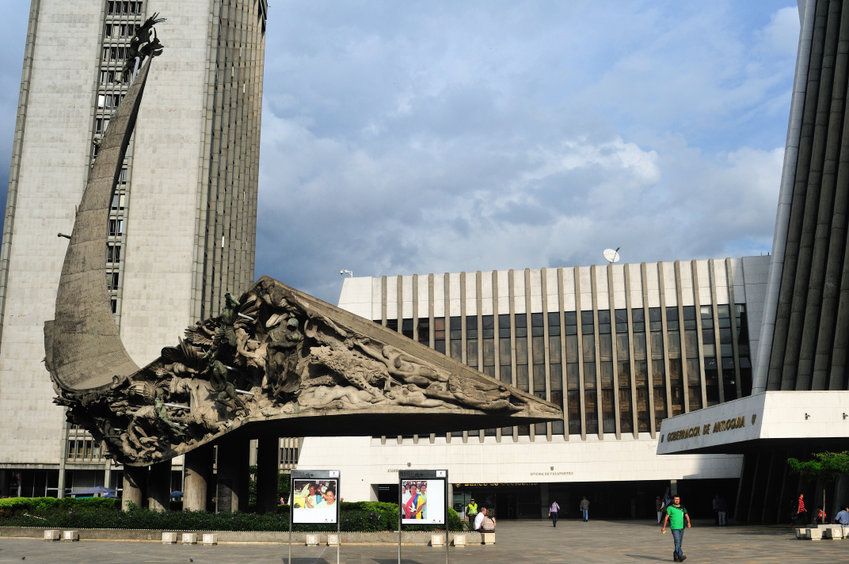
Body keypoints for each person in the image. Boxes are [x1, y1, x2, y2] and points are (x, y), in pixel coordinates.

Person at [661, 495, 692, 562]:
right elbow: (666, 517)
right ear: (673, 500)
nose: (677, 500)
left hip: (682, 527)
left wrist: (689, 522)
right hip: (674, 527)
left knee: (679, 543)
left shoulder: (682, 507)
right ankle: (681, 555)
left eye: (678, 499)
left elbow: (686, 515)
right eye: (675, 499)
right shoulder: (670, 508)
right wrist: (664, 527)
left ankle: (675, 556)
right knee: (677, 541)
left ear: (679, 500)